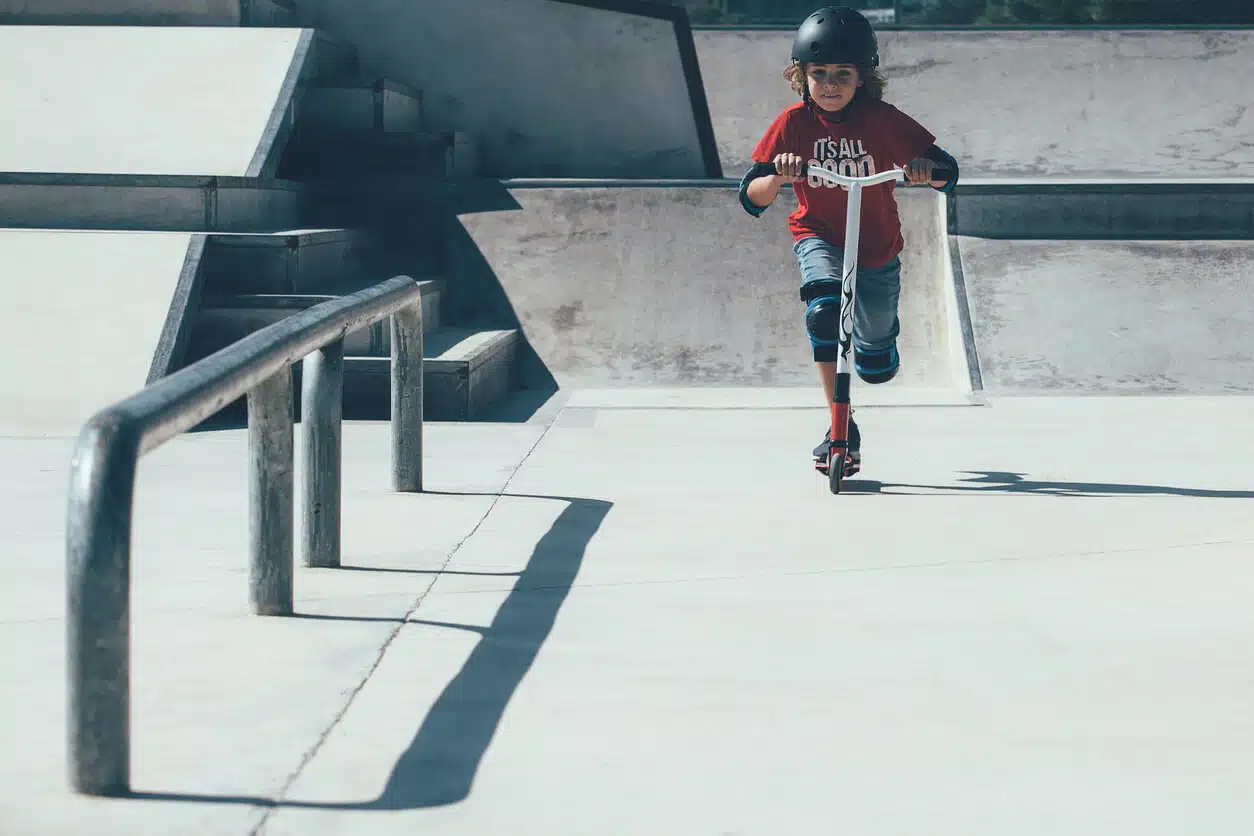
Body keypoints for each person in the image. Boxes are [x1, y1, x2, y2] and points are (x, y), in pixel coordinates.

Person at [738, 5, 960, 475]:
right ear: (802, 77)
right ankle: (841, 427)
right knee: (822, 313)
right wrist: (777, 178)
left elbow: (947, 173)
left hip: (877, 246)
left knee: (875, 365)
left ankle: (878, 349)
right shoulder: (792, 125)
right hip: (818, 235)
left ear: (863, 78)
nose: (831, 84)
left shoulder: (883, 120)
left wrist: (924, 172)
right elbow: (751, 197)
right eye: (819, 73)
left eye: (843, 73)